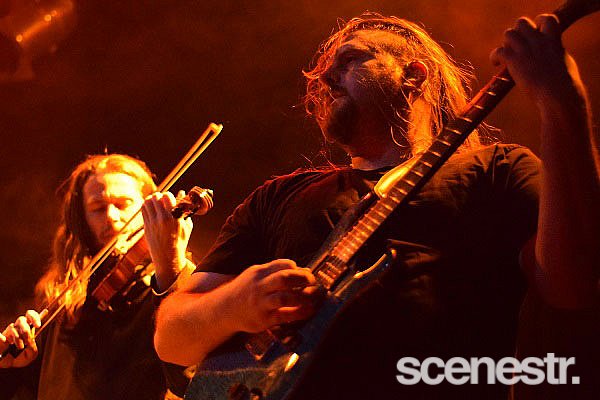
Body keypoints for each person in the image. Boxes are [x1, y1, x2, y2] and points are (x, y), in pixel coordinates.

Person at [154, 12, 599, 399]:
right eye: (325, 71)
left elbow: (572, 285)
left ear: (414, 75)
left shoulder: (497, 169)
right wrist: (238, 303)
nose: (326, 79)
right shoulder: (279, 196)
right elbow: (171, 338)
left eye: (349, 61)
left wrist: (563, 106)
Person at [0, 154, 194, 399]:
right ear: (82, 222)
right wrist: (10, 368)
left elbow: (191, 380)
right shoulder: (63, 298)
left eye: (122, 204)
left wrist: (171, 270)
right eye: (98, 208)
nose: (111, 216)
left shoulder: (170, 285)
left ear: (148, 210)